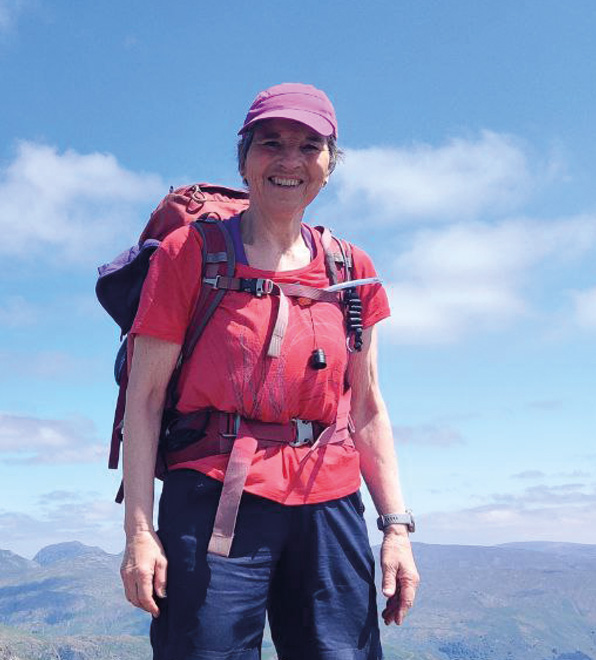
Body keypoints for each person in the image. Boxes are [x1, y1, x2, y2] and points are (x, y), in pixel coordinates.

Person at [120, 82, 419, 660]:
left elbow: (367, 406)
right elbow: (145, 399)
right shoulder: (189, 254)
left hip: (329, 498)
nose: (289, 161)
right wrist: (139, 531)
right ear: (244, 159)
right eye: (271, 143)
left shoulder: (351, 269)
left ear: (329, 166)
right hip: (212, 495)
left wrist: (396, 527)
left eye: (309, 146)